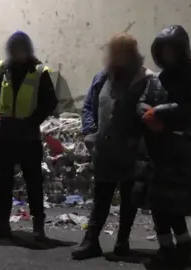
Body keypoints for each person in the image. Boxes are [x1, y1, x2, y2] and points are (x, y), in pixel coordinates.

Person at [71, 33, 156, 260]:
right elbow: (89, 106)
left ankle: (122, 242)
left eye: (123, 52)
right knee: (102, 198)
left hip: (131, 151)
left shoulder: (145, 80)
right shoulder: (102, 78)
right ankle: (91, 241)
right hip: (105, 148)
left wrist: (137, 138)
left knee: (129, 199)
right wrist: (90, 132)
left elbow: (150, 112)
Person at [135, 25, 191, 269]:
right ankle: (166, 249)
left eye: (171, 50)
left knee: (174, 208)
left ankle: (183, 247)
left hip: (179, 153)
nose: (167, 55)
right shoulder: (157, 80)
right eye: (163, 50)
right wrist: (147, 115)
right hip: (157, 153)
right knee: (158, 207)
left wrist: (159, 115)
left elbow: (190, 108)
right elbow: (142, 103)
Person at [0, 31, 58, 240]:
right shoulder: (2, 69)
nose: (17, 53)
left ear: (28, 49)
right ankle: (2, 224)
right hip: (4, 135)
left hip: (27, 135)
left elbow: (49, 101)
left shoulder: (40, 72)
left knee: (34, 183)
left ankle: (38, 227)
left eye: (21, 49)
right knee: (4, 182)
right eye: (14, 49)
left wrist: (32, 122)